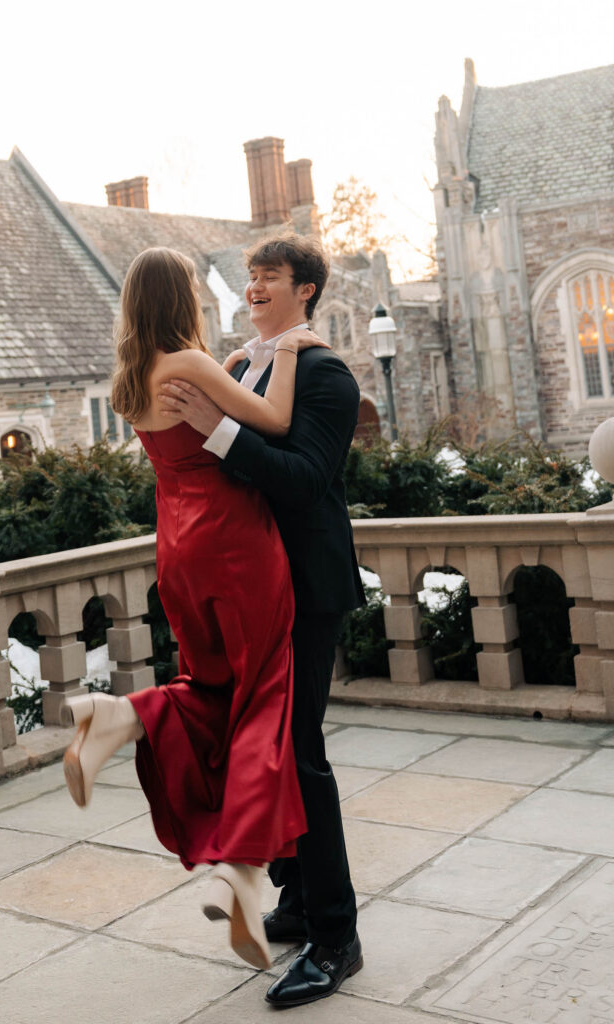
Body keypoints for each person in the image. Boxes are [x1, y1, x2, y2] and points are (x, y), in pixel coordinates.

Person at [61, 245, 327, 971]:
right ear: (182, 299)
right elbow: (273, 422)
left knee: (213, 686)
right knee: (264, 697)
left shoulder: (132, 375)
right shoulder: (187, 362)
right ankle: (239, 872)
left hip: (176, 545)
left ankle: (118, 717)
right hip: (235, 546)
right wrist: (294, 351)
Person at [157, 233, 366, 1009]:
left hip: (305, 589)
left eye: (268, 276)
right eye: (248, 275)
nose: (252, 286)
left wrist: (215, 428)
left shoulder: (325, 375)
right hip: (246, 589)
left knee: (301, 756)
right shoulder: (242, 366)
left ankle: (337, 939)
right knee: (265, 747)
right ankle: (300, 901)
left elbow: (303, 480)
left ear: (304, 289)